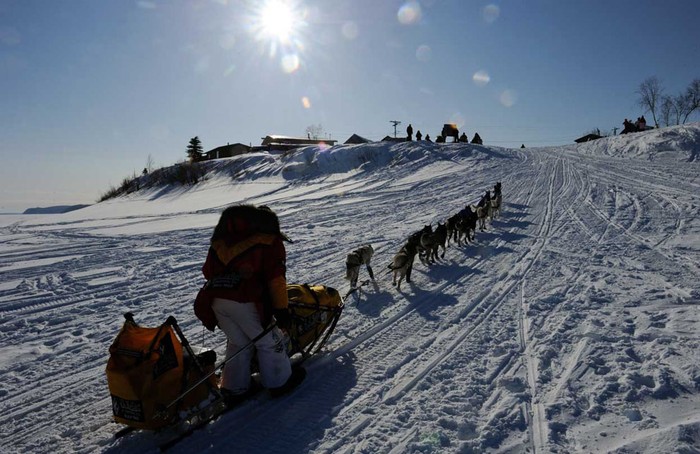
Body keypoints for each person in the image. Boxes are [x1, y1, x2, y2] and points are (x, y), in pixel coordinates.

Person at [199, 204, 305, 405]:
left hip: (216, 298)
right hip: (245, 300)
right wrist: (281, 310)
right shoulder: (270, 242)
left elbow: (207, 271)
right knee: (269, 340)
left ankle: (234, 387)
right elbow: (276, 279)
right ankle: (279, 382)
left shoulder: (222, 242)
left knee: (239, 342)